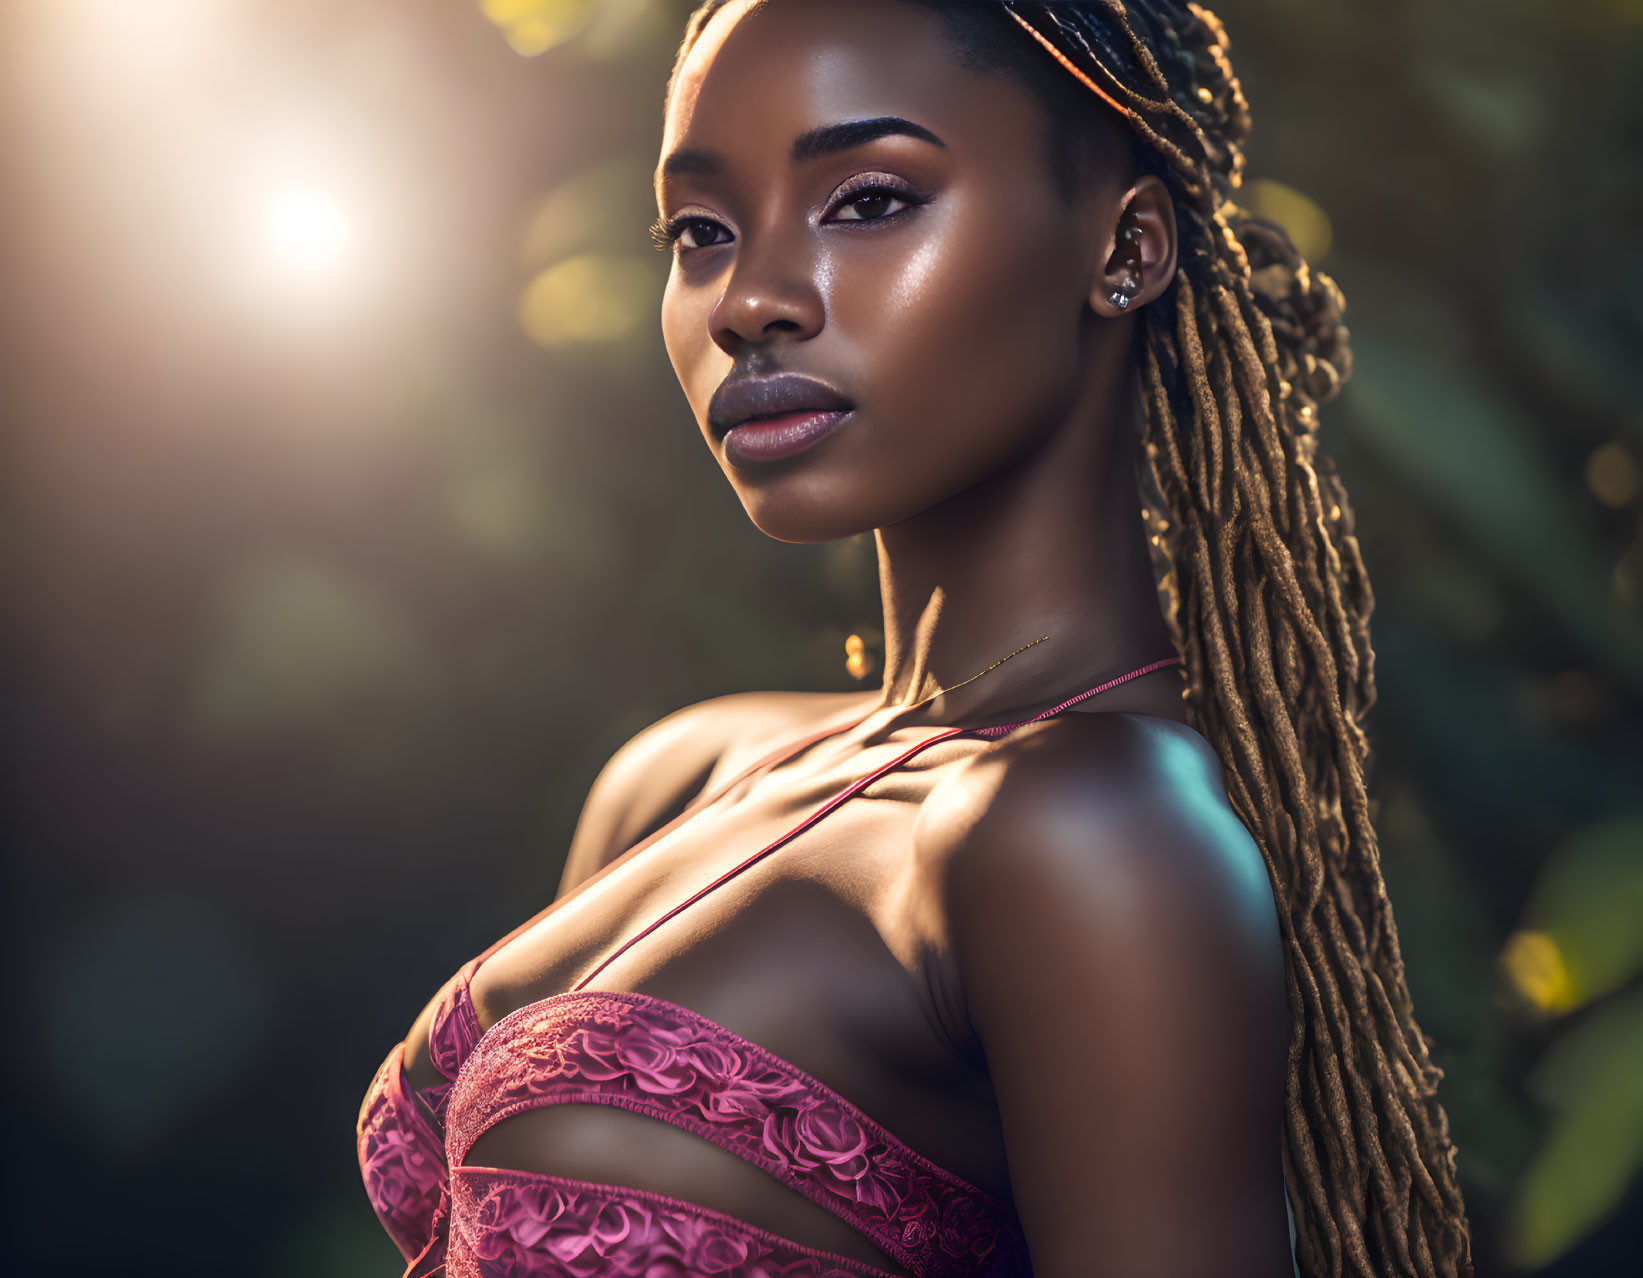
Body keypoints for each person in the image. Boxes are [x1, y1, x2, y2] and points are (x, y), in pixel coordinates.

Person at [357, 2, 1475, 1275]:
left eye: (870, 200)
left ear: (1126, 248)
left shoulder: (1089, 835)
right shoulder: (686, 775)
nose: (750, 302)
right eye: (700, 232)